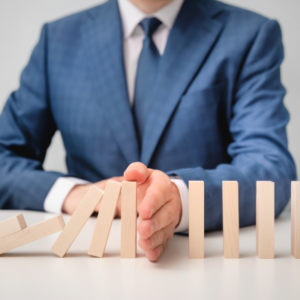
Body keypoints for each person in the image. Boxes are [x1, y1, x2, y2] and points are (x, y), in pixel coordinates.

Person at [0, 0, 296, 261]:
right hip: (85, 264)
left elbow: (271, 167)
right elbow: (4, 157)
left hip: (203, 265)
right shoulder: (58, 39)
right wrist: (78, 195)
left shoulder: (250, 34)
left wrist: (180, 197)